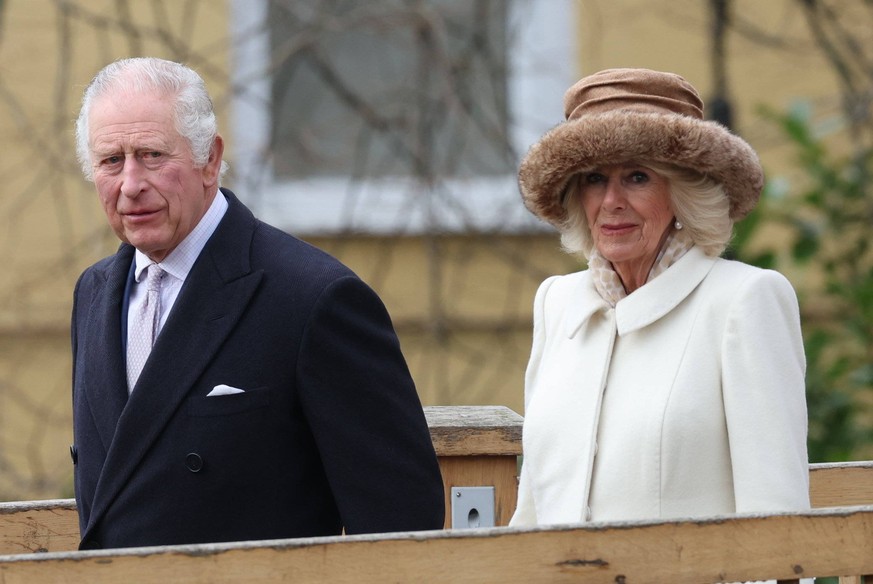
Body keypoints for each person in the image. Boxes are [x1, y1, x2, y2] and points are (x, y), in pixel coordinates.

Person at [70, 57, 444, 549]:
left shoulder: (313, 298)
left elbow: (402, 521)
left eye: (153, 154)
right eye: (111, 161)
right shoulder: (93, 294)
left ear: (210, 159)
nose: (131, 184)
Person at [510, 68, 810, 526]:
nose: (610, 201)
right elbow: (530, 513)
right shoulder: (556, 301)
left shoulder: (744, 300)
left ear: (682, 191)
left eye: (636, 177)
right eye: (593, 178)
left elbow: (778, 524)